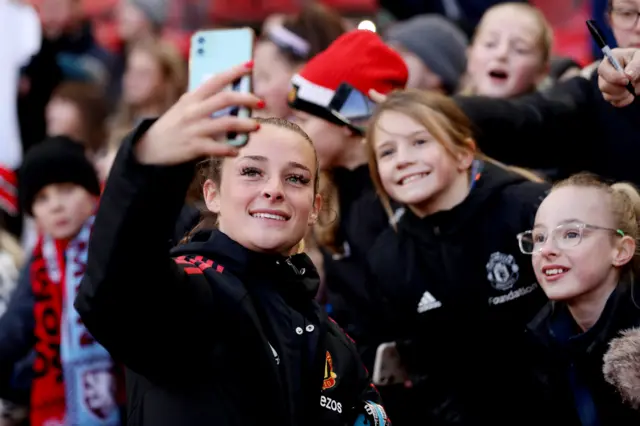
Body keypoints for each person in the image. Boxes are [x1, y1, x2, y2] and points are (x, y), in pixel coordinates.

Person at [74, 62, 391, 426]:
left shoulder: (333, 342)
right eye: (252, 172)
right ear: (213, 195)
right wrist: (149, 161)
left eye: (296, 178)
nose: (273, 189)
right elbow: (114, 295)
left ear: (315, 207)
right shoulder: (192, 293)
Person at [355, 88, 549, 425]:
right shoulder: (388, 256)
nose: (402, 159)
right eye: (387, 152)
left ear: (463, 154)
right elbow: (420, 370)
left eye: (419, 142)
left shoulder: (530, 209)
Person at [0, 136, 122, 426]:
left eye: (66, 190)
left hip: (123, 398)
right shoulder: (42, 260)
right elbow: (14, 330)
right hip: (56, 405)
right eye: (42, 198)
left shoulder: (114, 238)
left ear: (92, 193)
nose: (55, 206)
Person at [518, 173, 640, 424]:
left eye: (571, 234)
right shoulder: (542, 338)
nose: (547, 250)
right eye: (540, 237)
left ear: (621, 250)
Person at [463, 2, 552, 98]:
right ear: (470, 56)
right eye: (490, 44)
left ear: (541, 72)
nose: (501, 54)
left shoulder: (554, 111)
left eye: (520, 49)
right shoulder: (449, 109)